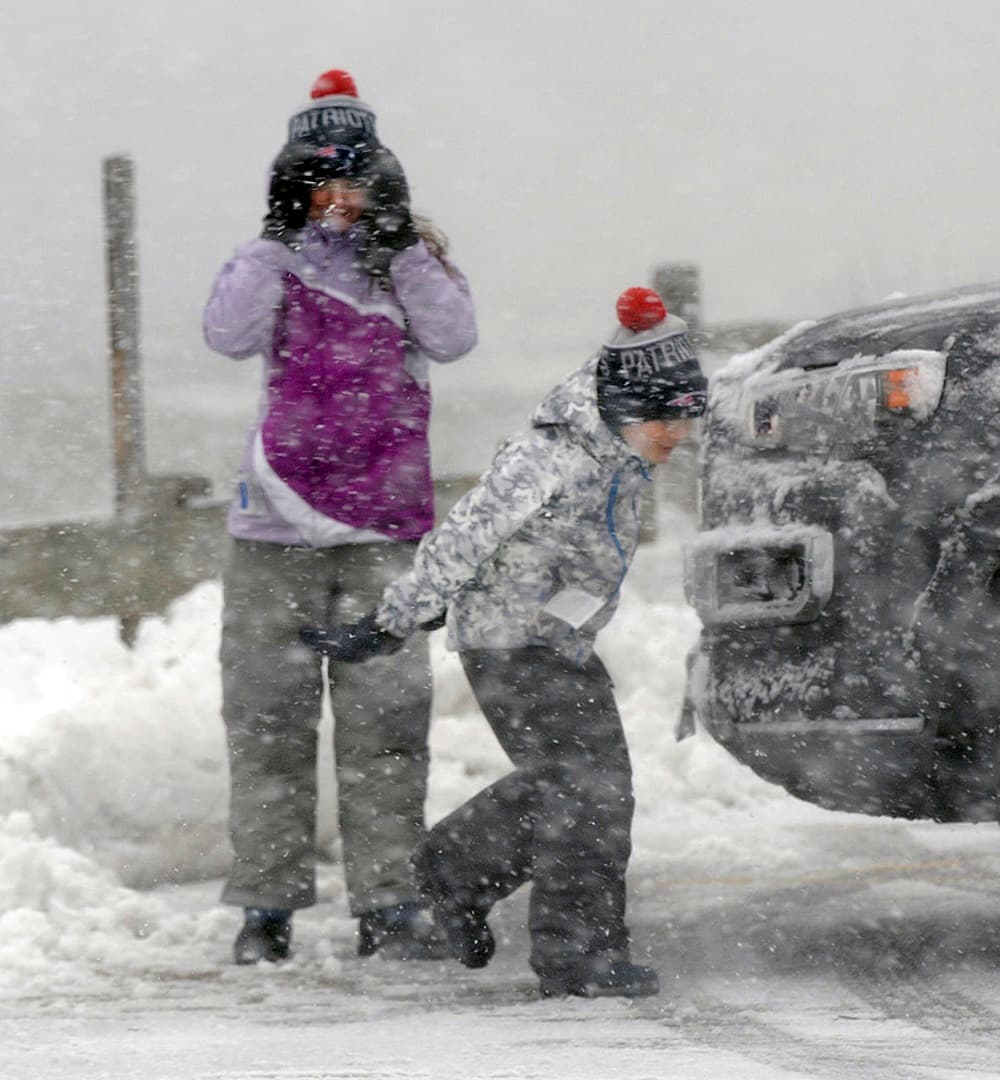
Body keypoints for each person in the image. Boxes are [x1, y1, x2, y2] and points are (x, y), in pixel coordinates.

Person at [299, 286, 708, 998]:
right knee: (586, 788)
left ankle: (464, 877)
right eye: (662, 418)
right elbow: (463, 537)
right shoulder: (548, 456)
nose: (675, 434)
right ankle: (571, 952)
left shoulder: (620, 454)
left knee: (581, 789)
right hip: (510, 643)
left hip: (558, 643)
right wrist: (396, 617)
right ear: (622, 404)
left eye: (685, 417)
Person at [202, 68, 477, 966]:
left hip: (383, 533)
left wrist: (400, 246)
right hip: (271, 530)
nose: (338, 202)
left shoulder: (409, 265)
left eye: (356, 183)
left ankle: (391, 902)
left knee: (387, 732)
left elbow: (454, 336)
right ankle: (266, 907)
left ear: (384, 184)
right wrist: (276, 239)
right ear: (293, 186)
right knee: (268, 725)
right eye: (318, 184)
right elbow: (227, 332)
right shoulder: (274, 260)